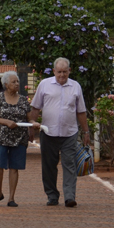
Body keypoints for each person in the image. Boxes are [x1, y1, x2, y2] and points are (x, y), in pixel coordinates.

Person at [28, 57, 89, 208]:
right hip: (48, 132)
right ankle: (52, 195)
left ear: (69, 71)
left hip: (70, 133)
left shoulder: (75, 87)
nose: (62, 75)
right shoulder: (44, 85)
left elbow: (81, 111)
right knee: (48, 166)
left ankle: (69, 197)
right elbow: (35, 107)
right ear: (54, 71)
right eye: (59, 72)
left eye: (65, 72)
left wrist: (86, 131)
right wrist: (30, 127)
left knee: (69, 164)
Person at [0, 71, 39, 207]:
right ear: (6, 85)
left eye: (17, 82)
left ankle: (11, 198)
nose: (17, 84)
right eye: (13, 82)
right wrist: (5, 122)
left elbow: (29, 118)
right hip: (0, 137)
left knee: (14, 168)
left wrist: (33, 124)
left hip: (19, 138)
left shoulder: (23, 100)